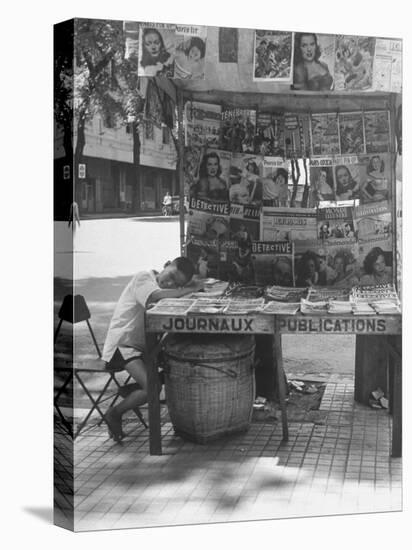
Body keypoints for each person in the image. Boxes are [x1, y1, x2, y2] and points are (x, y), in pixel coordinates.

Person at [102, 257, 201, 441]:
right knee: (152, 388)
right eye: (170, 276)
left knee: (184, 360)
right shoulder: (144, 278)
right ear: (166, 264)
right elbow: (153, 297)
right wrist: (188, 289)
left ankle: (133, 390)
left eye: (176, 284)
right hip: (122, 346)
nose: (169, 283)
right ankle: (115, 413)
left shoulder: (166, 290)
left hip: (142, 347)